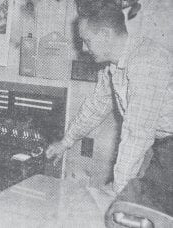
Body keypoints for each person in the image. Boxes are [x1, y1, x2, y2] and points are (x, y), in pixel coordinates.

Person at [46, 2, 173, 204]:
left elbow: (137, 134)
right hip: (159, 145)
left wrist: (118, 191)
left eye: (87, 41)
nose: (84, 49)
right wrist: (66, 142)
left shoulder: (146, 62)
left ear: (105, 34)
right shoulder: (111, 67)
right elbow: (95, 108)